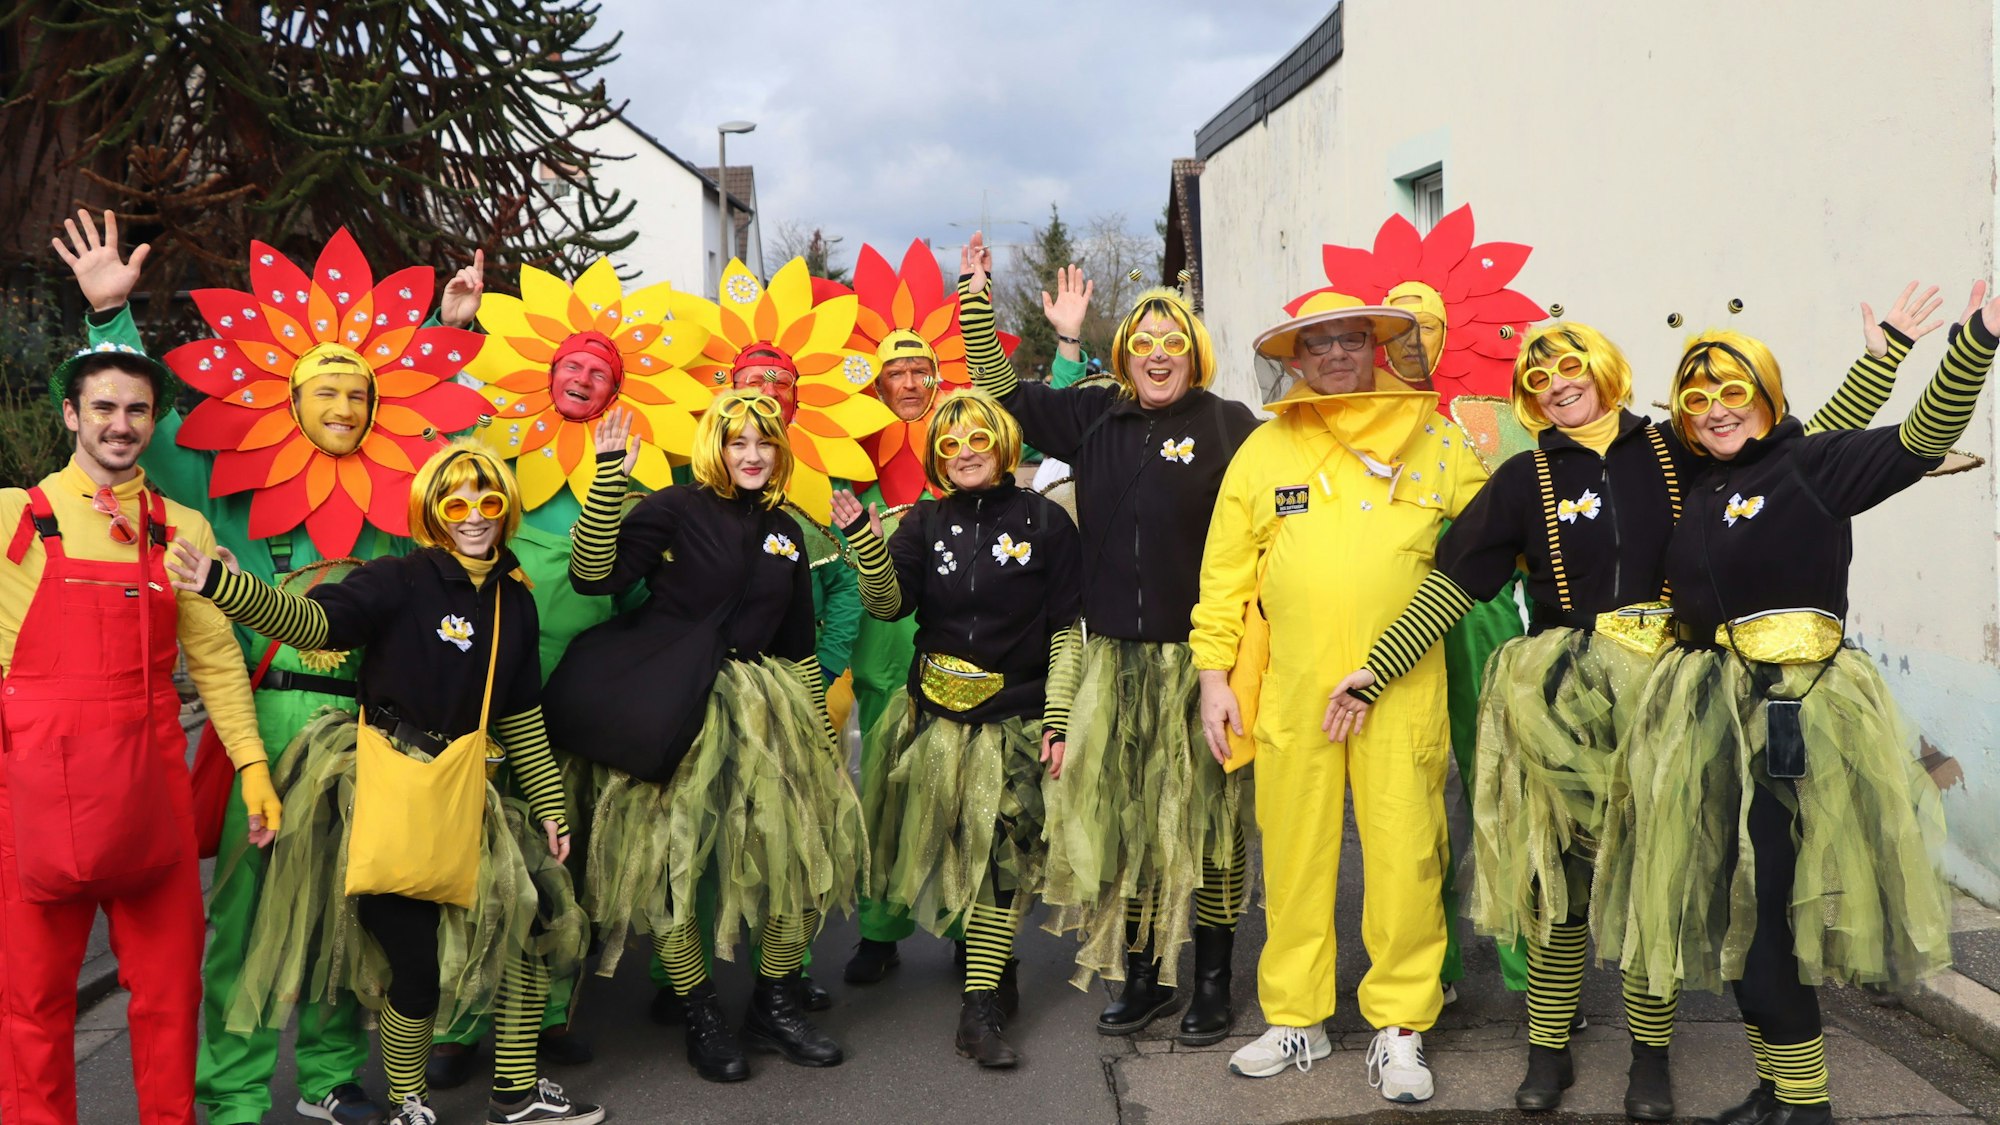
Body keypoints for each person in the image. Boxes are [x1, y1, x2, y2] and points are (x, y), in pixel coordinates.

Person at [1322, 288, 1939, 1117]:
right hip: (1560, 703)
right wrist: (1376, 668)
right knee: (1559, 883)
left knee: (1656, 876)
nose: (1554, 382)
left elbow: (1801, 453)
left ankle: (1651, 1059)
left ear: (1605, 371)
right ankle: (1548, 1050)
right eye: (1537, 375)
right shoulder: (1519, 477)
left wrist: (1884, 356)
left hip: (1672, 699)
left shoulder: (1676, 449)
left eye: (1569, 365)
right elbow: (1452, 585)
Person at [60, 210, 489, 1125]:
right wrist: (109, 320)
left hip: (373, 736)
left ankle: (332, 1075)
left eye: (358, 397)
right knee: (249, 925)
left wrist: (447, 336)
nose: (342, 409)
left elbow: (438, 439)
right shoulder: (233, 482)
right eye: (324, 392)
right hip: (265, 726)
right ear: (287, 403)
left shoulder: (389, 498)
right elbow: (151, 432)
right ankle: (233, 1094)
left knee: (352, 910)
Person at [1619, 292, 1995, 1125]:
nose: (1716, 410)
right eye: (1698, 397)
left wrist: (1975, 342)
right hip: (1708, 721)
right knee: (1737, 918)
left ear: (1766, 399)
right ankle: (1782, 1091)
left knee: (1766, 933)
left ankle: (1807, 1105)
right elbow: (1814, 428)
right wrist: (1880, 354)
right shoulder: (1718, 481)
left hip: (1792, 725)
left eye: (1733, 393)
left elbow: (1914, 441)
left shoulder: (1807, 469)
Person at [166, 443, 601, 1125]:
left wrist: (548, 805)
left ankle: (514, 1094)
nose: (474, 516)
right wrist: (225, 587)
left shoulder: (516, 600)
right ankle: (407, 1101)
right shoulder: (399, 578)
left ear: (506, 507)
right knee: (414, 964)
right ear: (432, 508)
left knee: (528, 924)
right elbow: (315, 622)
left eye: (488, 501)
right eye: (456, 502)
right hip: (391, 788)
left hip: (467, 791)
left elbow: (520, 712)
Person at [961, 233, 1262, 1047]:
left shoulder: (1232, 424)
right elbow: (998, 390)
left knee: (1209, 824)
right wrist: (975, 295)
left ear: (1193, 353)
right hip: (1114, 662)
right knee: (1130, 822)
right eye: (1143, 344)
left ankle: (1210, 982)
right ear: (1124, 355)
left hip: (1203, 661)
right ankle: (1145, 977)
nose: (1158, 356)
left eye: (1173, 344)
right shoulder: (1093, 411)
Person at [1192, 294, 1482, 1101]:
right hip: (1291, 690)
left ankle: (1400, 1027)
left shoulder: (1436, 438)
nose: (1336, 355)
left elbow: (1497, 534)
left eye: (1351, 339)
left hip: (1403, 686)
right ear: (1297, 358)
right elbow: (1224, 571)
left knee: (1405, 854)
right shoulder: (1266, 447)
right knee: (1293, 854)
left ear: (1377, 345)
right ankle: (1296, 1017)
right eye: (1317, 343)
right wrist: (1215, 677)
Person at [437, 257, 716, 1086]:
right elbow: (434, 430)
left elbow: (637, 581)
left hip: (583, 692)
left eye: (599, 371)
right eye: (571, 366)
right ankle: (457, 1022)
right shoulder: (499, 448)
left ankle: (550, 1012)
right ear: (548, 377)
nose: (583, 376)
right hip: (487, 683)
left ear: (615, 393)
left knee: (565, 854)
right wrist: (454, 329)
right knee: (476, 850)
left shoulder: (629, 475)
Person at [0, 342, 277, 1125]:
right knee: (30, 1005)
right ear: (70, 415)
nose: (121, 425)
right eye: (104, 408)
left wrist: (252, 766)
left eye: (137, 411)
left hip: (151, 799)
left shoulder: (180, 526)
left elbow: (218, 659)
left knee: (169, 997)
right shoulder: (13, 518)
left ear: (153, 422)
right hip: (31, 801)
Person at [551, 394, 863, 1082]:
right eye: (737, 441)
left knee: (792, 859)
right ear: (714, 447)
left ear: (781, 450)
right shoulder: (673, 507)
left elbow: (798, 647)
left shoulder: (787, 529)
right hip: (674, 705)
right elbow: (593, 574)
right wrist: (607, 480)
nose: (752, 454)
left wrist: (820, 741)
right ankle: (700, 1010)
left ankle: (773, 1005)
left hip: (764, 711)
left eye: (765, 443)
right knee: (673, 866)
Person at [831, 390, 1082, 1067]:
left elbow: (1067, 630)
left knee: (1002, 856)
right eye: (948, 444)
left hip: (1017, 720)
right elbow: (889, 604)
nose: (964, 452)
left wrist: (1057, 716)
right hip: (936, 720)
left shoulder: (1046, 521)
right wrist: (864, 541)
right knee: (955, 857)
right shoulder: (923, 523)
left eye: (976, 438)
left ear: (1001, 443)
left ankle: (978, 1011)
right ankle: (994, 978)